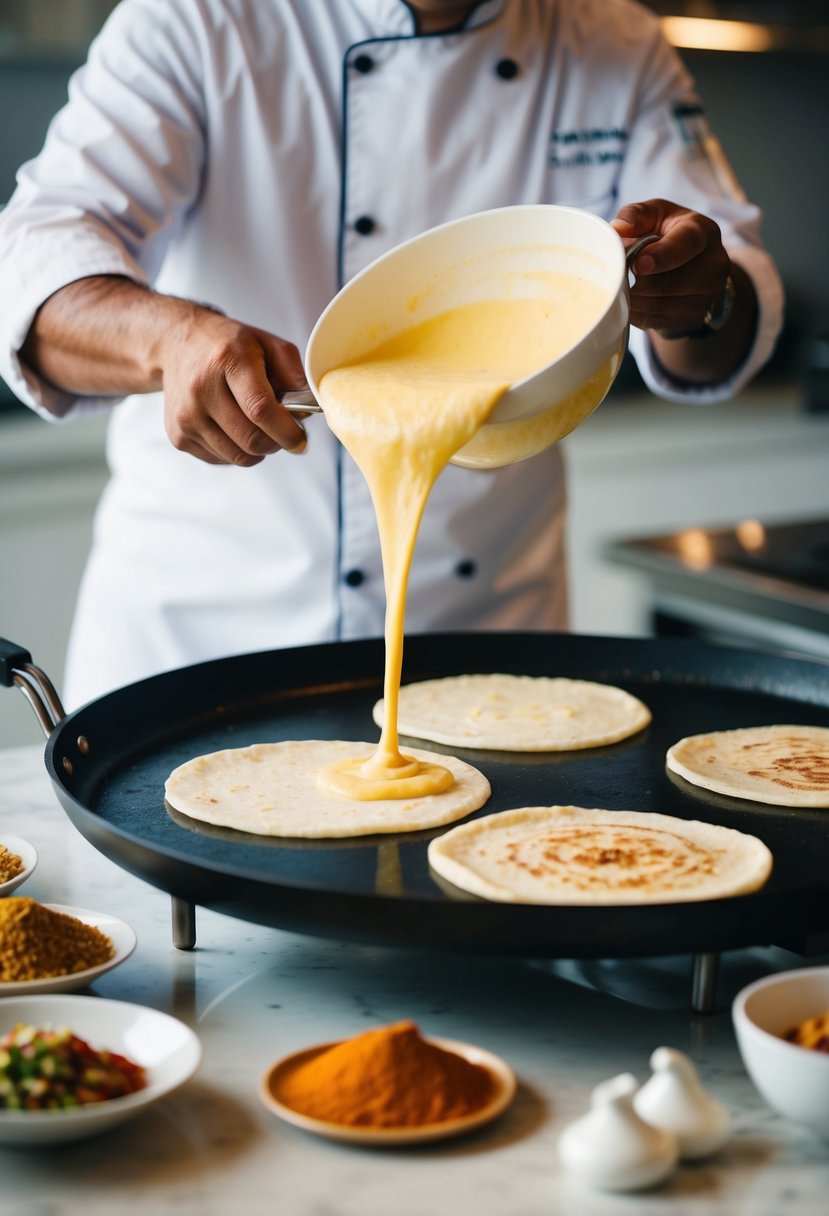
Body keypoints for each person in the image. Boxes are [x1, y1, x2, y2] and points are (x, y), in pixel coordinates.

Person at [0, 0, 783, 708]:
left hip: (485, 661)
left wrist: (698, 299)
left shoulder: (615, 40)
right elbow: (33, 268)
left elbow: (725, 302)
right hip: (204, 651)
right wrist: (167, 340)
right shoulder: (195, 21)